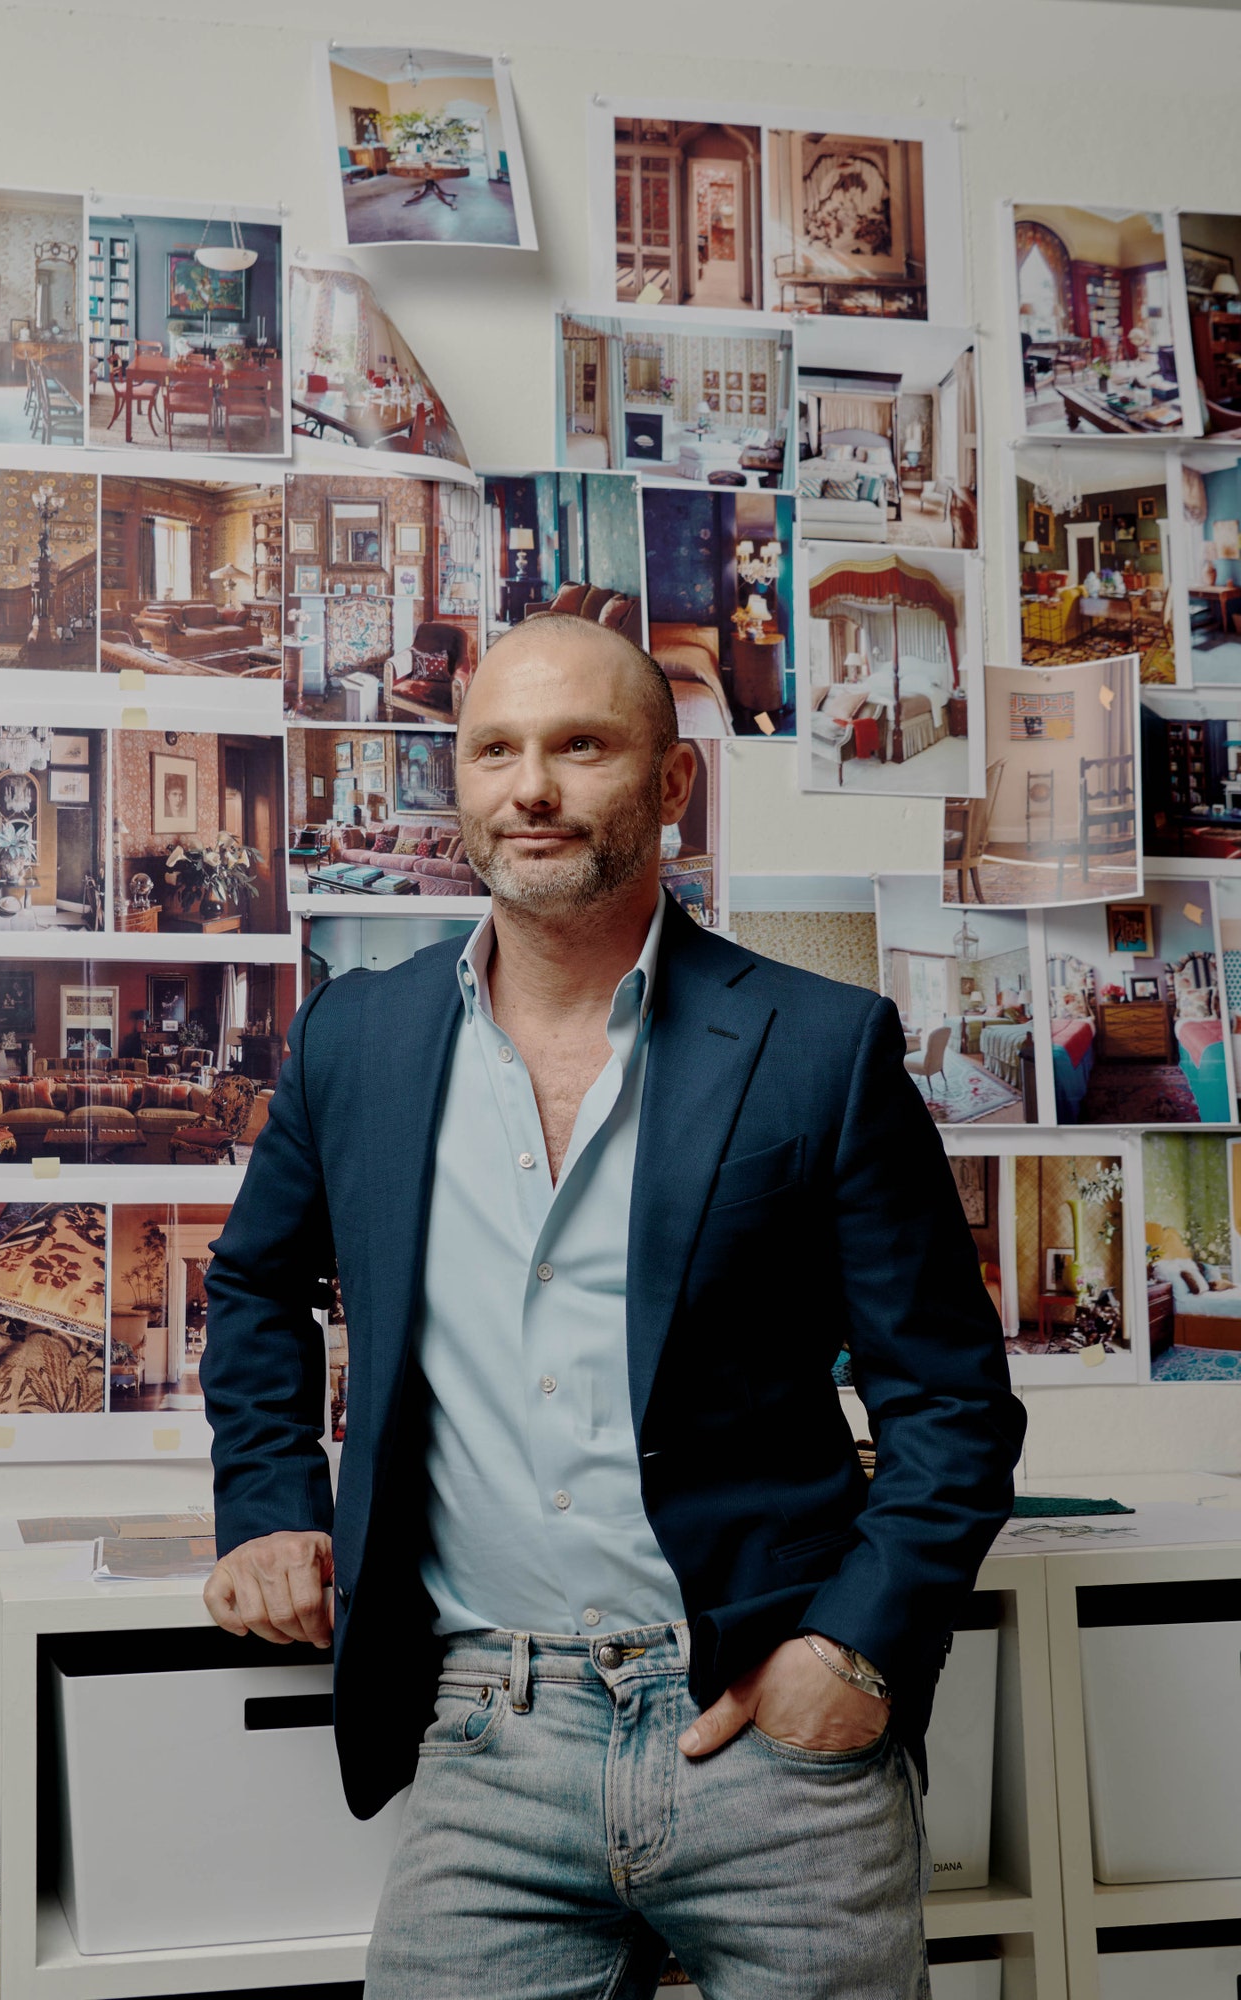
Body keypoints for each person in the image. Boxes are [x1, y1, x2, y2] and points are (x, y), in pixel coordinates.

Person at [200, 615, 1024, 1998]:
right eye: (496, 751)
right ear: (458, 779)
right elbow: (255, 1283)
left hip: (769, 1736)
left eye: (581, 746)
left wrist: (855, 1658)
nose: (532, 789)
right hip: (486, 1739)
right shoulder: (358, 1041)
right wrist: (273, 1501)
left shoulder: (820, 1048)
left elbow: (948, 1400)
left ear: (671, 784)